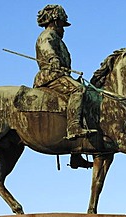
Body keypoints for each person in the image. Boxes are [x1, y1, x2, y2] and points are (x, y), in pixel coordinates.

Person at [34, 5, 96, 169]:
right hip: (50, 76)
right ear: (55, 21)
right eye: (62, 24)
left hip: (61, 75)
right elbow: (46, 48)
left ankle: (76, 155)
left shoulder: (58, 39)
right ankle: (73, 128)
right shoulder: (48, 35)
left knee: (85, 97)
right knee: (78, 90)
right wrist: (53, 59)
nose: (63, 28)